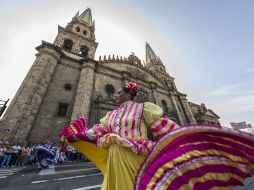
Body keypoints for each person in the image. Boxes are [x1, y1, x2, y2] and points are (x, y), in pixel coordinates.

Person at [59, 82, 254, 190]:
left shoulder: (144, 109)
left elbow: (167, 129)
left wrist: (189, 140)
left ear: (129, 94)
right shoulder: (110, 115)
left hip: (136, 156)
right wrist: (75, 134)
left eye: (119, 93)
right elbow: (95, 133)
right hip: (114, 160)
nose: (115, 96)